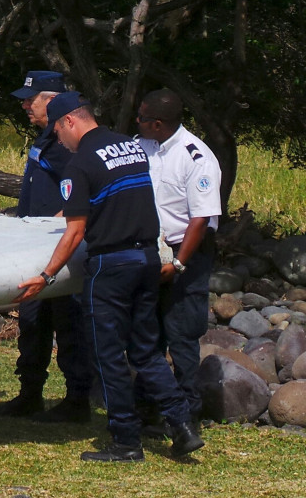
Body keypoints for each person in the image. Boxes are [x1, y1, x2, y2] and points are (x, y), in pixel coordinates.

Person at [15, 91, 204, 462]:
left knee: (108, 356)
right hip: (147, 259)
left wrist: (45, 275)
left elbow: (74, 232)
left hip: (110, 266)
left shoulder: (81, 162)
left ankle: (125, 441)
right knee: (147, 351)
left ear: (69, 121)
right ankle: (182, 426)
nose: (59, 142)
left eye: (57, 132)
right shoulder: (131, 147)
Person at [0, 71, 92, 422]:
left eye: (31, 100)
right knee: (33, 325)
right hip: (32, 250)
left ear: (53, 99)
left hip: (57, 250)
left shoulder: (65, 143)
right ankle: (29, 393)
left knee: (68, 325)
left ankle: (77, 399)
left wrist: (58, 224)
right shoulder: (46, 139)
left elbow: (80, 193)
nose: (25, 106)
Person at [135, 88, 221, 427]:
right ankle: (148, 405)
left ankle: (187, 412)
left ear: (158, 123)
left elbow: (201, 220)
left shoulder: (195, 157)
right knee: (148, 332)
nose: (136, 122)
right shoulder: (143, 147)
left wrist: (179, 264)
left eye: (141, 118)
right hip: (149, 250)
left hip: (185, 254)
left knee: (182, 335)